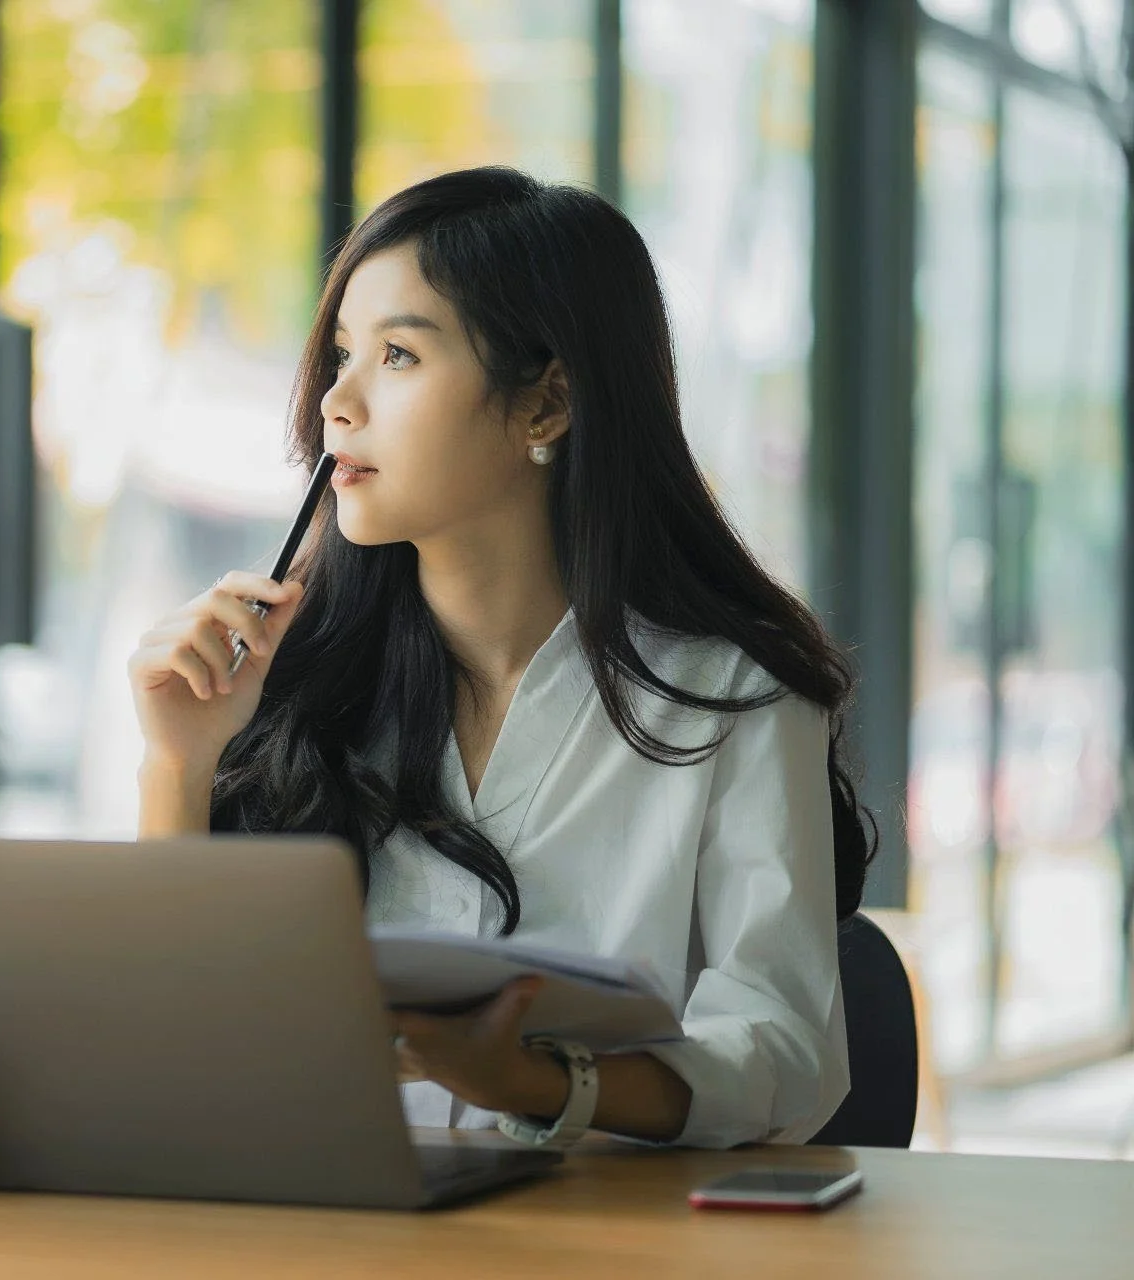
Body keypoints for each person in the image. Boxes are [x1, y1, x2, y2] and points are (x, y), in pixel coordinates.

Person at [126, 166, 873, 1150]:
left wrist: (535, 1079)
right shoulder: (288, 683)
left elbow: (783, 1056)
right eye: (343, 352)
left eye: (397, 355)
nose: (334, 405)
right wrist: (179, 764)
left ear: (548, 404)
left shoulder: (732, 691)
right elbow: (178, 1056)